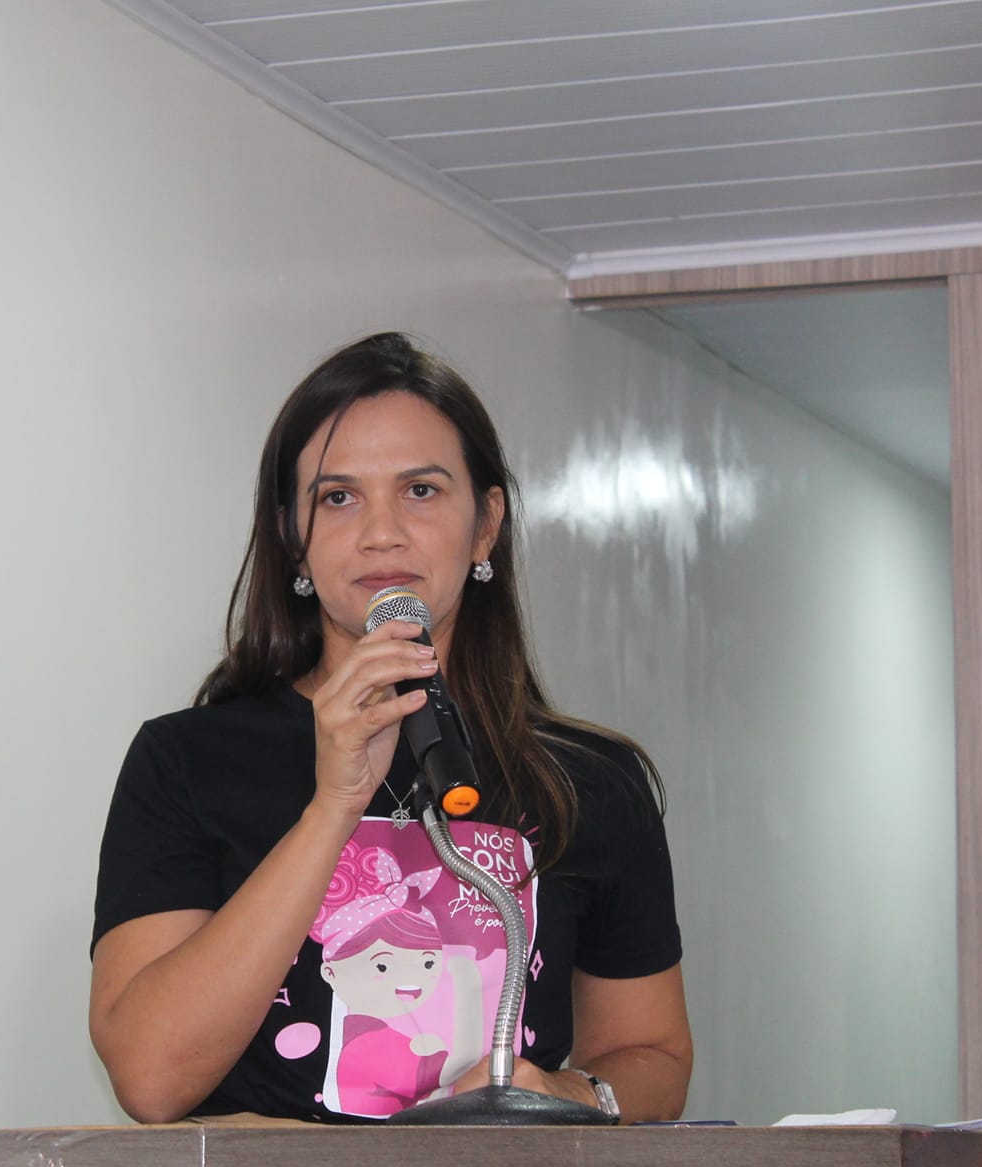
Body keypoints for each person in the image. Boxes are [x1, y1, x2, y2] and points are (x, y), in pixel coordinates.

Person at [89, 332, 691, 1124]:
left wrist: (568, 1093)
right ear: (291, 536)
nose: (382, 532)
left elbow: (654, 1055)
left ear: (486, 525)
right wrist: (333, 806)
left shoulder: (591, 781)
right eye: (338, 497)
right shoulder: (186, 762)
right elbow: (150, 1078)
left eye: (421, 490)